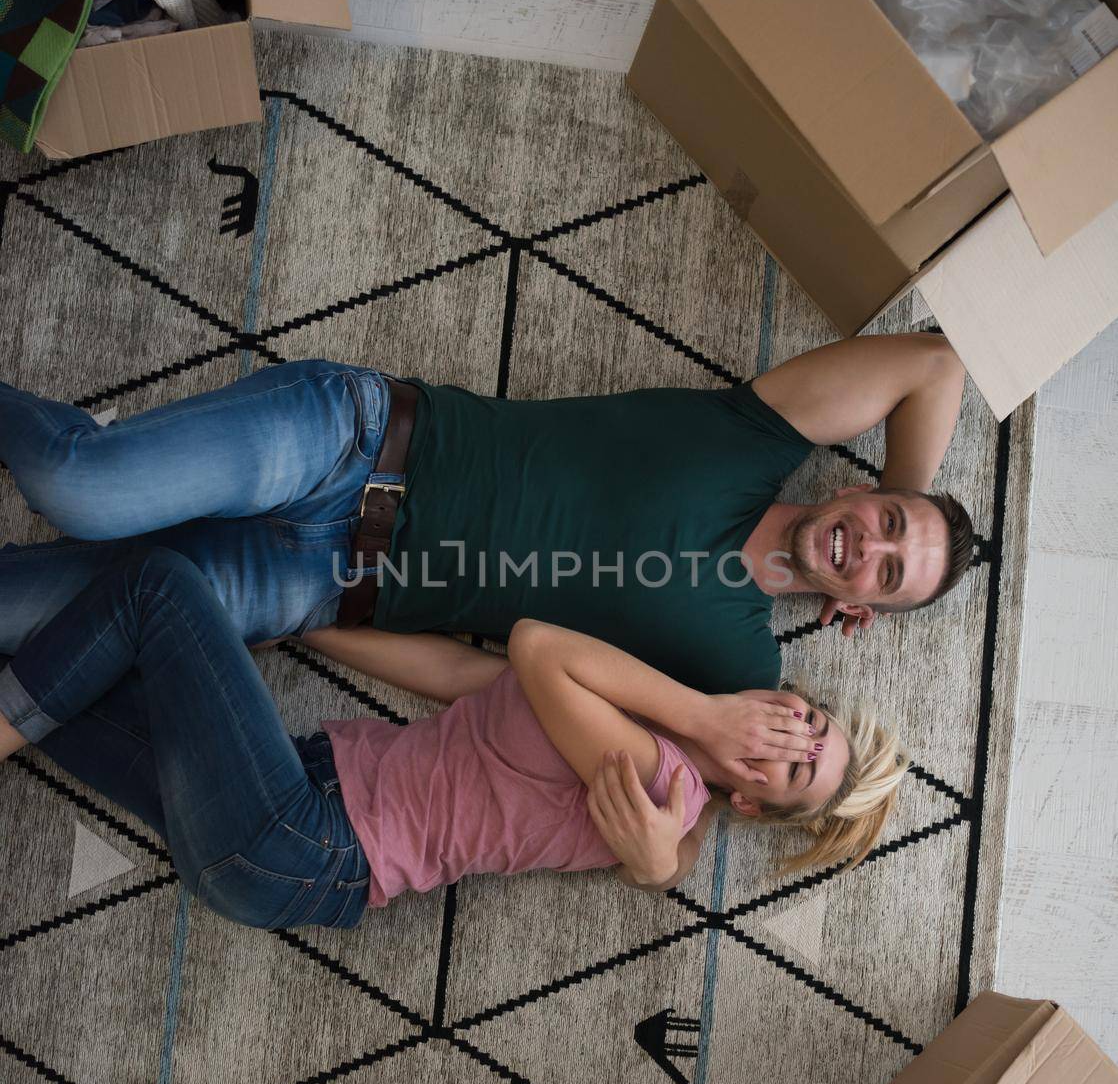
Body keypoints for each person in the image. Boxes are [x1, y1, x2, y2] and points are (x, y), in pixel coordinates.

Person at [0, 331, 971, 712]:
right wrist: (915, 490)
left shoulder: (735, 673)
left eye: (886, 571)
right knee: (82, 490)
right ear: (856, 489)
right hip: (356, 441)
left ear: (863, 604)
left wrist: (315, 627)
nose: (870, 545)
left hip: (321, 588)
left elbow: (493, 682)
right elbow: (933, 364)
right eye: (886, 521)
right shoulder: (755, 435)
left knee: (27, 617)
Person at [0, 549, 908, 929]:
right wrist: (306, 622)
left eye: (799, 769)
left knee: (158, 586)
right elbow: (461, 679)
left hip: (304, 842)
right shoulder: (653, 730)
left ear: (753, 800)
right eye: (812, 724)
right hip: (295, 806)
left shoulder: (661, 774)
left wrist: (705, 721)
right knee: (61, 672)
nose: (792, 735)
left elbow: (534, 645)